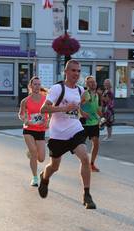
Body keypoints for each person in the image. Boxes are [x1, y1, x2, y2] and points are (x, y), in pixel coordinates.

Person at [39, 59, 96, 209]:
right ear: (66, 72)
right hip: (58, 134)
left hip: (75, 129)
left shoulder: (80, 91)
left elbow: (75, 107)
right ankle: (44, 178)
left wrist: (82, 113)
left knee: (84, 157)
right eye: (73, 70)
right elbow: (44, 109)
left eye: (78, 71)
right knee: (54, 166)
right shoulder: (57, 89)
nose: (76, 74)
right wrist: (64, 109)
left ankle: (87, 194)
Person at [18, 76, 48, 186]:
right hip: (29, 129)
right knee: (34, 153)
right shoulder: (25, 101)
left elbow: (49, 112)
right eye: (35, 84)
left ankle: (31, 152)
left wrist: (47, 121)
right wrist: (25, 119)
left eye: (39, 84)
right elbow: (20, 114)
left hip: (40, 130)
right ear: (30, 86)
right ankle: (35, 178)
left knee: (41, 158)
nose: (37, 86)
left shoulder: (45, 99)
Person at [81, 76, 102, 172]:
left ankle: (92, 164)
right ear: (86, 84)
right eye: (90, 82)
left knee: (96, 144)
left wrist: (102, 116)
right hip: (84, 124)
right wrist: (82, 112)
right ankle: (84, 163)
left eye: (94, 82)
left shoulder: (97, 95)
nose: (93, 83)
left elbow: (96, 108)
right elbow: (78, 105)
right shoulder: (85, 94)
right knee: (81, 146)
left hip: (94, 123)